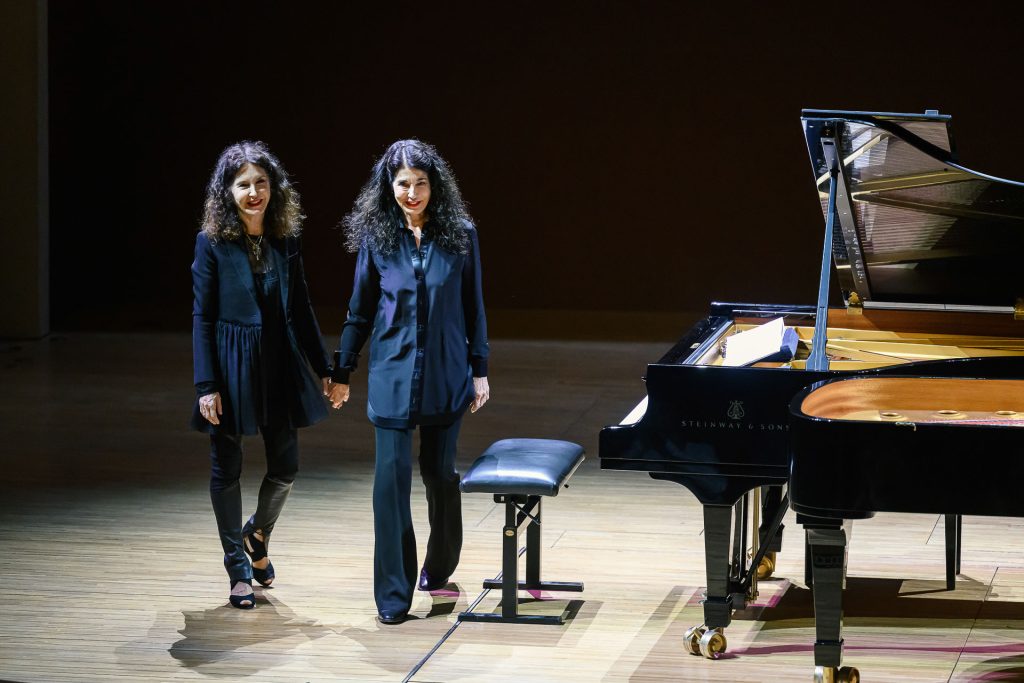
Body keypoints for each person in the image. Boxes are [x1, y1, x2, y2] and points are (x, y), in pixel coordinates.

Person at [328, 139, 489, 625]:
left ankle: (439, 567)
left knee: (441, 477)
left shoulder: (460, 234)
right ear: (389, 187)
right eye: (403, 184)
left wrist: (479, 369)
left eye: (421, 183)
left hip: (445, 373)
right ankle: (393, 597)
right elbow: (359, 309)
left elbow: (473, 306)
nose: (412, 192)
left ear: (434, 184)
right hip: (392, 375)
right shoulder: (378, 238)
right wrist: (342, 371)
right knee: (390, 484)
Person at [191, 141, 332, 609]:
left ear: (274, 187)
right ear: (228, 191)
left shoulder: (284, 236)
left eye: (261, 183)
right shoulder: (212, 242)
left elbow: (302, 306)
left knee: (286, 467)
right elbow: (203, 316)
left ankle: (257, 534)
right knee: (226, 468)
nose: (254, 192)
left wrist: (325, 369)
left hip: (278, 364)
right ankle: (237, 570)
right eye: (244, 184)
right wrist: (206, 385)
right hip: (231, 365)